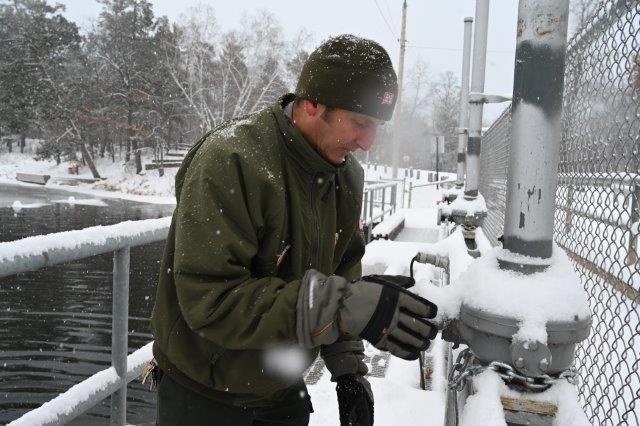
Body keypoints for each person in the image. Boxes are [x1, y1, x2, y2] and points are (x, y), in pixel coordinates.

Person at [150, 34, 438, 426]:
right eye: (361, 122)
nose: (369, 143)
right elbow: (210, 299)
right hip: (205, 395)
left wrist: (348, 367)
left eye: (378, 127)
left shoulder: (346, 176)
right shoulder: (232, 160)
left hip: (283, 390)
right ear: (313, 104)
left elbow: (343, 272)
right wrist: (342, 307)